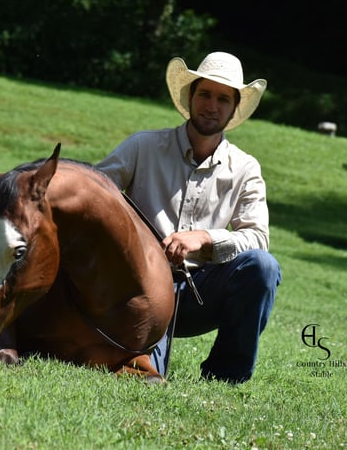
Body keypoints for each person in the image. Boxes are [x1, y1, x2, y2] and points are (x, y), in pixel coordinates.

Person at [96, 51, 281, 383]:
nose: (212, 105)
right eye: (205, 94)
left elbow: (258, 238)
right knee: (147, 376)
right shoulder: (143, 146)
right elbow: (95, 191)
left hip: (201, 294)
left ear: (234, 108)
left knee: (263, 267)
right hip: (138, 287)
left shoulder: (246, 168)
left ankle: (226, 377)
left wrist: (205, 238)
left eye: (223, 99)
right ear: (190, 97)